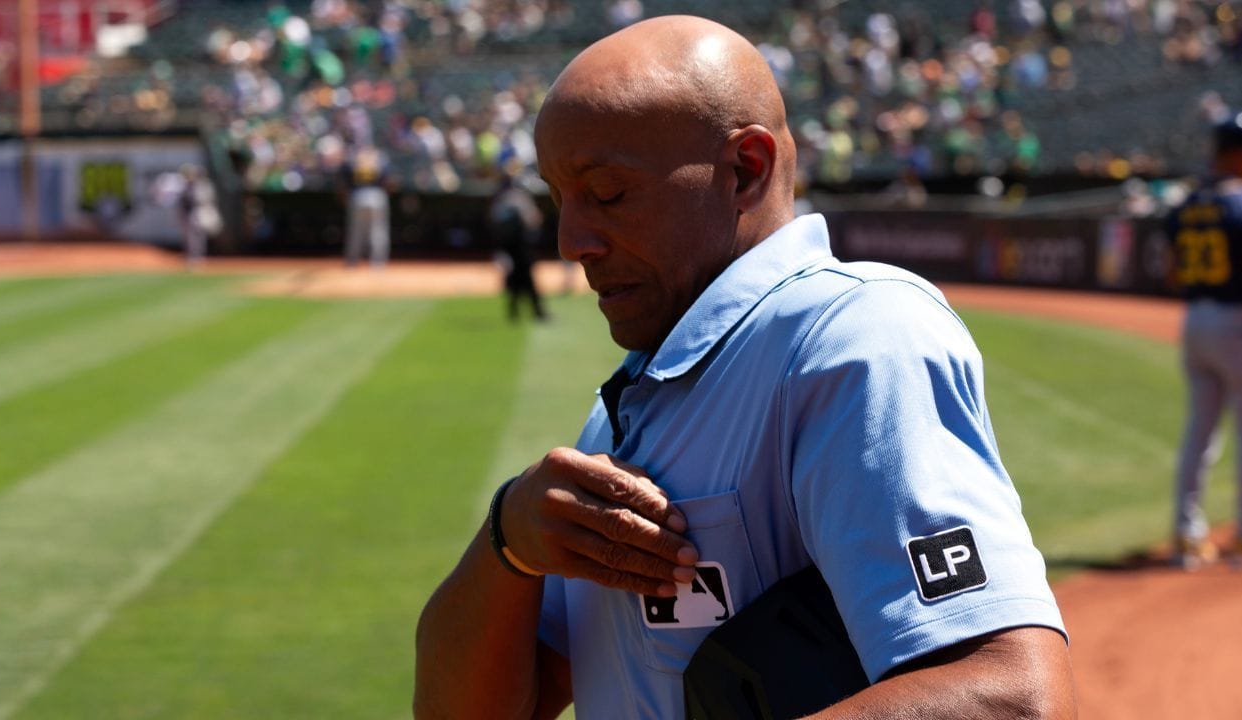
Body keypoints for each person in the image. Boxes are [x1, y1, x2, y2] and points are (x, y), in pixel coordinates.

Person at [415, 16, 1074, 719]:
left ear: (746, 170)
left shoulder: (853, 338)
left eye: (606, 193)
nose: (572, 240)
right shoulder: (631, 401)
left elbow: (1014, 698)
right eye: (559, 199)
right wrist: (508, 540)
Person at [1168, 110, 1242, 569]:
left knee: (1199, 434)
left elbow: (1171, 268)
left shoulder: (1188, 202)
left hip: (1195, 318)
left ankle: (1187, 537)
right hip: (1241, 323)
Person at [489, 170, 549, 321]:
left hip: (508, 247)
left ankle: (514, 312)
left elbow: (493, 223)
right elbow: (534, 220)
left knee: (514, 278)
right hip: (522, 246)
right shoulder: (519, 197)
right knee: (526, 279)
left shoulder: (500, 199)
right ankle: (536, 312)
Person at [340, 144, 391, 269]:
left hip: (358, 194)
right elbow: (388, 180)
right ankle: (378, 264)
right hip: (377, 194)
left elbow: (344, 180)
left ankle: (352, 263)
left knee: (356, 231)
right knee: (378, 231)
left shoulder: (355, 160)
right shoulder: (379, 160)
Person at [177, 164, 221, 270]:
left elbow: (206, 199)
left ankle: (198, 258)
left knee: (199, 237)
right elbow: (183, 201)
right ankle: (192, 258)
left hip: (200, 212)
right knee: (190, 238)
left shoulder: (203, 185)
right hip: (189, 214)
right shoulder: (185, 185)